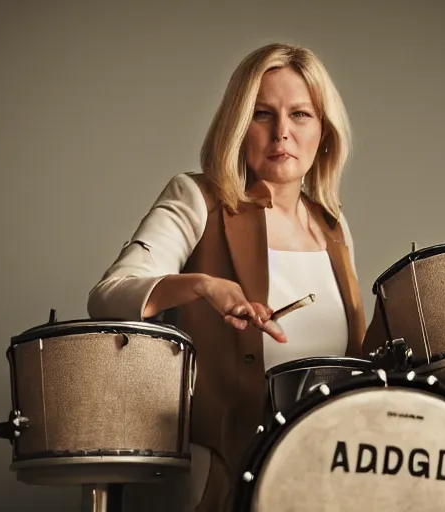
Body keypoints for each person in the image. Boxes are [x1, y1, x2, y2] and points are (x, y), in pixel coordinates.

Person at [87, 42, 366, 511]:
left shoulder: (334, 228)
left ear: (324, 133)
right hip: (219, 470)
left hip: (318, 476)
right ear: (238, 126)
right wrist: (202, 285)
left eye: (300, 115)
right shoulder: (198, 198)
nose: (282, 133)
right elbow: (108, 297)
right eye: (262, 114)